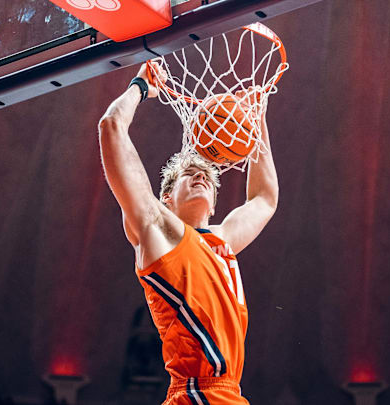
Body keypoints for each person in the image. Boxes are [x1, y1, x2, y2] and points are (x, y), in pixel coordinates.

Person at [98, 62, 278, 404]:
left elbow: (264, 199)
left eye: (207, 178)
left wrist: (257, 122)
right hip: (195, 394)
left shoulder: (222, 239)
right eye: (190, 174)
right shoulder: (157, 229)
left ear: (212, 205)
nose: (201, 178)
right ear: (166, 198)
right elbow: (111, 126)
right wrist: (139, 86)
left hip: (230, 395)